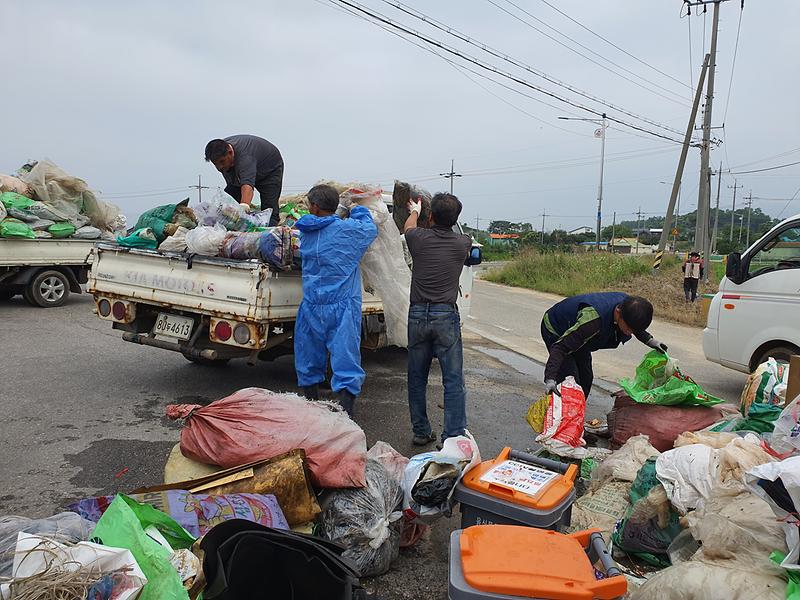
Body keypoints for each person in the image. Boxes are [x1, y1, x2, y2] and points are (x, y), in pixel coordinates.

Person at [294, 184, 377, 417]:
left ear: (314, 207)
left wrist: (338, 210)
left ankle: (311, 413)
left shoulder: (305, 231)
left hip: (311, 303)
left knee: (308, 358)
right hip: (342, 306)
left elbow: (323, 224)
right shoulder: (348, 231)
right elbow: (369, 229)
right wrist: (355, 207)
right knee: (345, 359)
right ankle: (345, 417)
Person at [404, 192, 472, 446]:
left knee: (416, 377)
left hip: (418, 315)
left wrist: (415, 210)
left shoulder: (417, 238)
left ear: (430, 217)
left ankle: (421, 431)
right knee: (453, 379)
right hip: (446, 316)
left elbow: (408, 226)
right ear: (455, 219)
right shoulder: (463, 242)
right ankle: (452, 436)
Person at [541, 293, 667, 397]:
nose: (629, 333)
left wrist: (650, 341)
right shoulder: (592, 321)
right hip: (556, 329)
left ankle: (575, 415)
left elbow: (635, 326)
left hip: (580, 337)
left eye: (632, 330)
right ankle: (561, 420)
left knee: (586, 378)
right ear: (618, 312)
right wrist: (550, 378)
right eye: (628, 328)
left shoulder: (630, 307)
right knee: (570, 381)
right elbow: (560, 347)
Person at [204, 135, 284, 226]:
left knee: (269, 209)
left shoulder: (245, 157)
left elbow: (247, 186)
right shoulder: (220, 153)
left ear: (230, 152)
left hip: (269, 170)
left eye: (222, 162)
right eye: (216, 164)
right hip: (240, 169)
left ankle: (270, 231)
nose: (220, 167)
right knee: (229, 202)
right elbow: (233, 185)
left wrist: (244, 207)